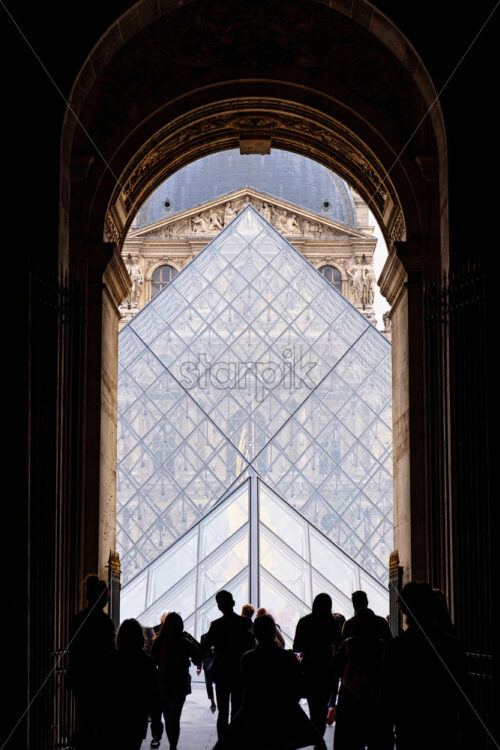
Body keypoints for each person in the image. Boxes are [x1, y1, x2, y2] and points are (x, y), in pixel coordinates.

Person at [213, 614, 327, 750]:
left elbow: (249, 689)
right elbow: (299, 687)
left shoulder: (248, 659)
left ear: (256, 634)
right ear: (274, 632)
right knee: (318, 741)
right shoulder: (287, 658)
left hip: (254, 714)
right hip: (283, 713)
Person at [381, 582, 469, 749]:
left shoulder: (395, 648)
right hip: (443, 730)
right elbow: (464, 695)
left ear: (403, 609)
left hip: (409, 732)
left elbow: (387, 699)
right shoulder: (452, 645)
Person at [332, 591, 393, 749]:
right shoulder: (382, 638)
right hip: (377, 693)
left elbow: (337, 667)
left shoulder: (348, 639)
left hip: (351, 695)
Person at [67, 575, 116, 749]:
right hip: (100, 679)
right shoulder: (106, 623)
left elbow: (73, 649)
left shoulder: (77, 619)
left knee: (83, 718)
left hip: (81, 678)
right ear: (103, 600)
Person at [102, 619, 162, 750]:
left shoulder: (109, 662)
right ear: (140, 638)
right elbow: (153, 695)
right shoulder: (147, 663)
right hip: (137, 718)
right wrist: (156, 721)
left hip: (113, 718)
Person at [293, 593, 342, 745]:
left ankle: (316, 740)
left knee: (314, 707)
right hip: (326, 670)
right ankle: (318, 740)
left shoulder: (304, 621)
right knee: (320, 709)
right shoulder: (332, 623)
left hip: (309, 669)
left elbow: (297, 647)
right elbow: (339, 644)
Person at [205, 590, 255, 737]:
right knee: (237, 711)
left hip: (222, 674)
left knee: (223, 714)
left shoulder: (216, 625)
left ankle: (223, 743)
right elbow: (251, 646)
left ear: (219, 607)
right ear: (233, 603)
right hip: (240, 673)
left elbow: (205, 646)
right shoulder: (245, 623)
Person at [152, 612, 202, 750]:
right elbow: (198, 658)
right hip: (179, 685)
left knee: (170, 717)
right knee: (173, 718)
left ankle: (172, 745)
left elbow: (152, 660)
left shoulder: (160, 641)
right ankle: (173, 746)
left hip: (163, 684)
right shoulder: (185, 642)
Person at [198, 632, 217, 713]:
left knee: (218, 685)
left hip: (218, 664)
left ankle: (215, 702)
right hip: (208, 664)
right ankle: (212, 702)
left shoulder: (220, 636)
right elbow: (201, 652)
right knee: (208, 685)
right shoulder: (204, 637)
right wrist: (199, 667)